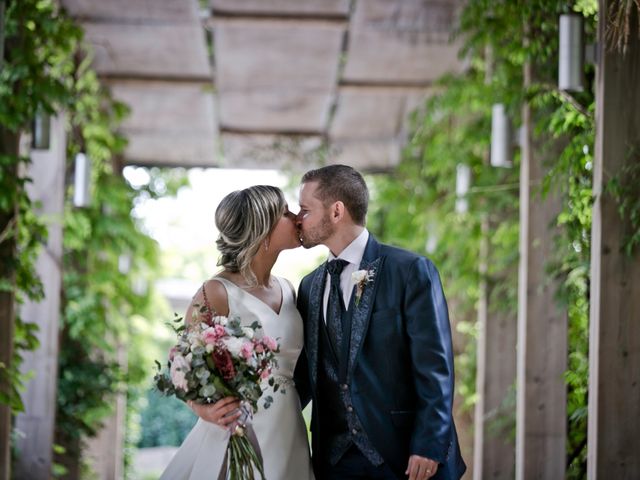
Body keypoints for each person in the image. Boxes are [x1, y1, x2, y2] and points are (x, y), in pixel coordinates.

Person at [294, 165, 466, 480]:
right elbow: (304, 374)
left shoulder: (411, 271)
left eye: (305, 210)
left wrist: (429, 443)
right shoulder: (309, 286)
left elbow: (435, 367)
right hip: (334, 461)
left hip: (403, 456)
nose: (297, 219)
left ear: (336, 211)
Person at [161, 185, 314, 480]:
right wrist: (202, 410)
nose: (295, 217)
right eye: (285, 212)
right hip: (239, 426)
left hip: (287, 424)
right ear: (263, 227)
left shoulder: (288, 288)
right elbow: (179, 362)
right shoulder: (216, 291)